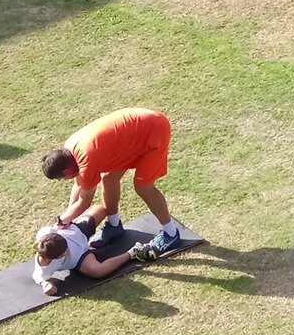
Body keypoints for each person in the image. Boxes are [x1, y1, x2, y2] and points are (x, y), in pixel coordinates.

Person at [41, 108, 186, 257]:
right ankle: (114, 225)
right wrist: (67, 218)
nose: (64, 180)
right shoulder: (70, 150)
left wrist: (61, 221)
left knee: (143, 186)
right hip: (133, 134)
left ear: (65, 172)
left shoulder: (86, 159)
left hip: (153, 130)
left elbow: (84, 202)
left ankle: (171, 234)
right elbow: (79, 185)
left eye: (61, 178)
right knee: (108, 178)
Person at [31, 217, 140, 297]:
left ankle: (114, 226)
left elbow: (59, 225)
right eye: (65, 251)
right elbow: (38, 277)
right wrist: (46, 285)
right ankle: (133, 252)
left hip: (77, 232)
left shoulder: (45, 234)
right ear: (57, 257)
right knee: (97, 271)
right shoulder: (44, 267)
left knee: (100, 209)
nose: (68, 250)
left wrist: (65, 222)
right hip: (80, 257)